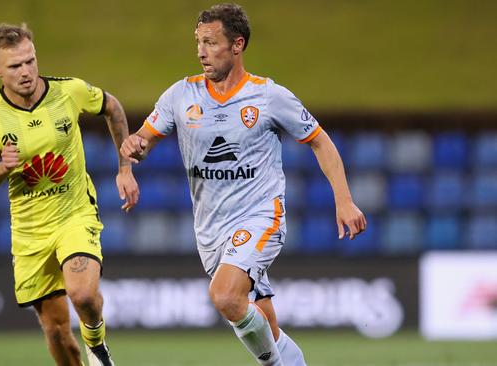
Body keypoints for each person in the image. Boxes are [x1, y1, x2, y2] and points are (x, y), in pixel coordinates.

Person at [120, 4, 366, 366]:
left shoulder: (268, 97)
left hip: (261, 216)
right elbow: (143, 139)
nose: (201, 51)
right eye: (198, 42)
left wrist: (344, 201)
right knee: (268, 325)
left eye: (211, 42)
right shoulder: (181, 95)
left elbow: (320, 140)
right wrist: (133, 149)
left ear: (237, 45)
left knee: (224, 296)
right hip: (211, 229)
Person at [0, 23, 138, 366]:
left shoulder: (69, 91)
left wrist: (125, 168)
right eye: (15, 66)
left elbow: (113, 108)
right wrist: (2, 168)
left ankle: (98, 347)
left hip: (74, 214)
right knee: (56, 331)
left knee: (83, 294)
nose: (26, 72)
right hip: (30, 232)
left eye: (30, 61)